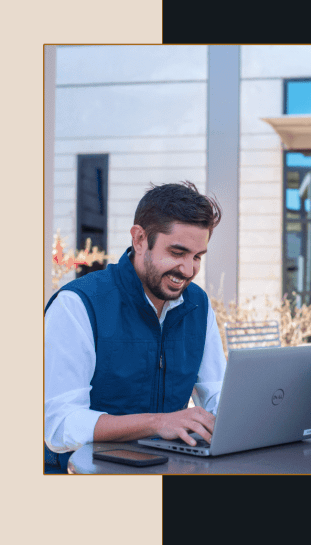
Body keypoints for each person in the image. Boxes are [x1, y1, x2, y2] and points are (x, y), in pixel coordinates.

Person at [43, 181, 227, 473]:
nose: (188, 270)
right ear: (140, 239)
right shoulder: (78, 305)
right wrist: (158, 422)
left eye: (197, 257)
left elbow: (218, 396)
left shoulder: (198, 306)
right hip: (85, 475)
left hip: (167, 470)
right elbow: (59, 424)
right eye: (177, 253)